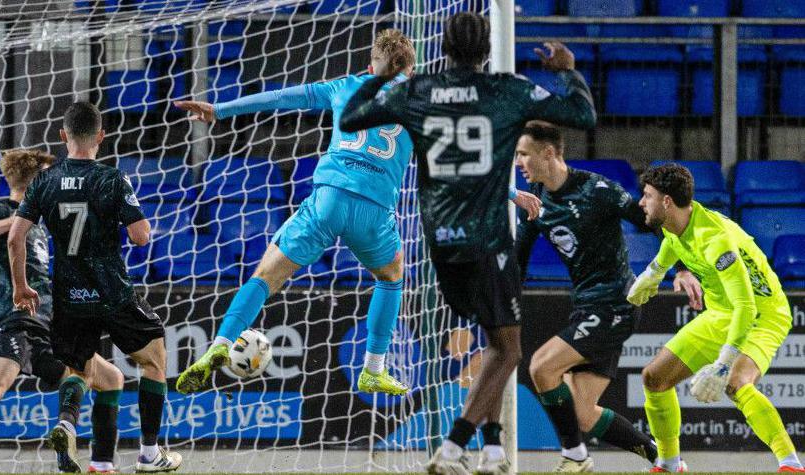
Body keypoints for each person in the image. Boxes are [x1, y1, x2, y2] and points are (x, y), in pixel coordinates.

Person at [340, 12, 596, 475]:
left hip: (439, 241)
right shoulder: (507, 89)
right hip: (488, 241)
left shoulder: (417, 91)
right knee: (509, 349)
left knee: (492, 345)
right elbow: (582, 115)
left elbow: (351, 116)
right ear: (486, 51)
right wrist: (567, 70)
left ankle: (494, 449)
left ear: (443, 45)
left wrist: (379, 76)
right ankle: (456, 444)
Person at [174, 29, 417, 396]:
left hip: (329, 200)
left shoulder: (345, 85)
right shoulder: (424, 102)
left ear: (370, 65)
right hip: (375, 209)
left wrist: (221, 110)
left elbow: (281, 97)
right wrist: (508, 192)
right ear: (410, 71)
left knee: (265, 276)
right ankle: (374, 368)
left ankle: (220, 344)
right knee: (391, 275)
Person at [513, 123, 702, 472]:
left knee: (541, 366)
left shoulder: (597, 190)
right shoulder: (536, 200)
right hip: (586, 307)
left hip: (616, 304)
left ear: (549, 153)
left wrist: (683, 269)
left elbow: (655, 222)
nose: (518, 162)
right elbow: (518, 263)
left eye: (523, 154)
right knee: (584, 414)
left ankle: (575, 457)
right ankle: (665, 461)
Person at [8, 103, 182, 473]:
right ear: (101, 137)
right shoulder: (112, 179)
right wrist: (139, 228)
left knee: (80, 371)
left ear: (63, 136)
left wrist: (21, 287)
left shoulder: (43, 181)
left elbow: (14, 238)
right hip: (111, 291)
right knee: (154, 360)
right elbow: (139, 237)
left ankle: (71, 428)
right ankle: (150, 454)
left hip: (69, 294)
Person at [629, 163, 804, 473]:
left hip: (763, 313)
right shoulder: (681, 223)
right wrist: (653, 273)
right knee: (654, 378)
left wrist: (723, 363)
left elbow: (746, 306)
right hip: (723, 312)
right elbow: (672, 243)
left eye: (647, 195)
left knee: (736, 383)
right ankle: (669, 464)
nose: (641, 202)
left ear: (667, 201)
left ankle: (790, 464)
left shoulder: (715, 239)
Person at [0, 149, 124, 473]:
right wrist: (14, 220)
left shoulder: (45, 219)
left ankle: (98, 462)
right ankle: (68, 432)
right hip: (15, 315)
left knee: (110, 378)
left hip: (50, 318)